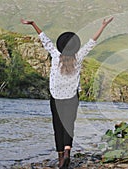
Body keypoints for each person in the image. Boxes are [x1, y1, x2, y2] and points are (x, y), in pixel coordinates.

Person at [21, 17, 113, 169]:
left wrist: (33, 24)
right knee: (69, 125)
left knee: (58, 126)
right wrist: (103, 26)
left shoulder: (56, 56)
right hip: (72, 97)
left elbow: (44, 39)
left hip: (56, 96)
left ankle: (60, 159)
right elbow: (92, 42)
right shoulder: (78, 57)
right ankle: (67, 152)